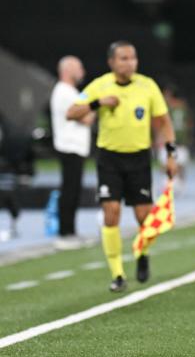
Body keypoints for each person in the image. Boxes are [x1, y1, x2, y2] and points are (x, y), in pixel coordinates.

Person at [67, 41, 177, 292]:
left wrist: (171, 155)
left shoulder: (147, 86)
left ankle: (142, 253)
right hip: (109, 159)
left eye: (132, 58)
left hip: (139, 159)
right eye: (123, 58)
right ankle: (117, 274)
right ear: (112, 62)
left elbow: (164, 123)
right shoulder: (100, 85)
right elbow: (71, 112)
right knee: (111, 213)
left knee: (143, 217)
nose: (129, 62)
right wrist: (98, 103)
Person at [50, 56, 93, 249]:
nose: (82, 72)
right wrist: (94, 108)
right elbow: (86, 118)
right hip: (69, 146)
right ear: (68, 71)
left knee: (73, 191)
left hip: (75, 146)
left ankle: (71, 231)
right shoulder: (65, 92)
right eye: (79, 68)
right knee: (69, 191)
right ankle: (64, 233)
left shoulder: (71, 92)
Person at [157, 83, 191, 195]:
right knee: (172, 164)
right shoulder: (183, 106)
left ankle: (177, 185)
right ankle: (174, 185)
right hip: (177, 140)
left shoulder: (166, 108)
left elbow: (161, 125)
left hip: (173, 140)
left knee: (177, 165)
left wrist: (159, 138)